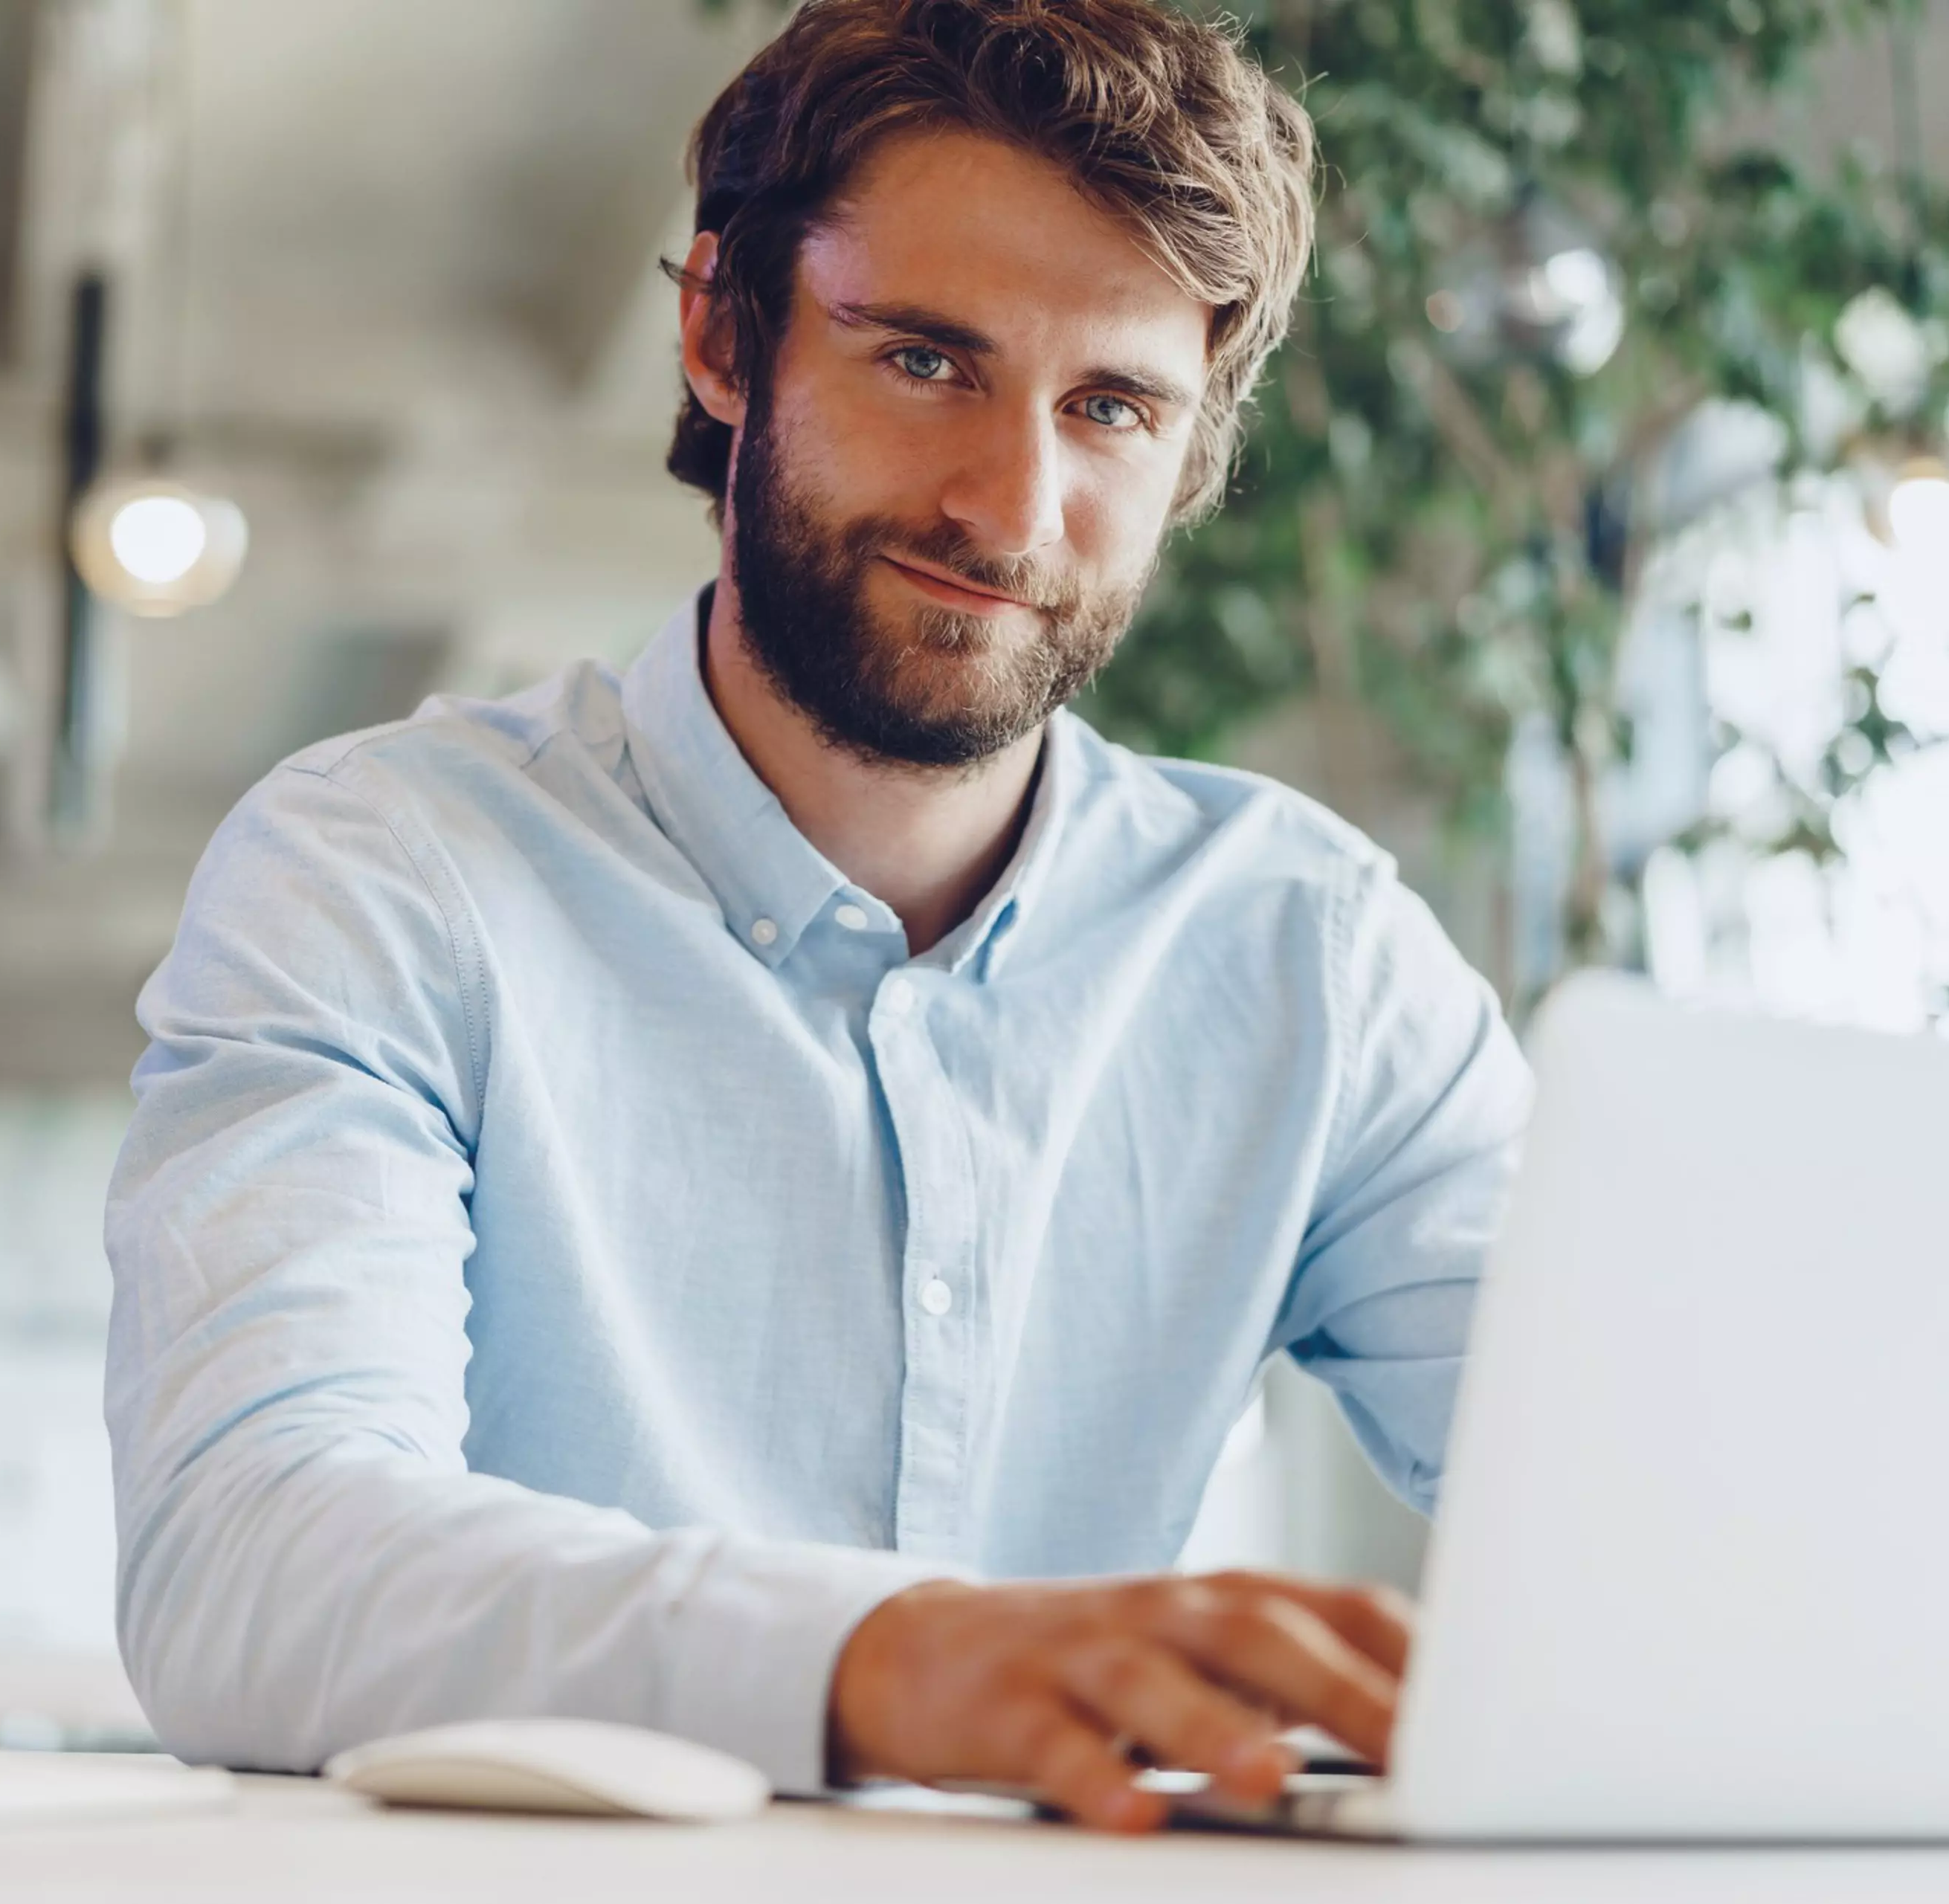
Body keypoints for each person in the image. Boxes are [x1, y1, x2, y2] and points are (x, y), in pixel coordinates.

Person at [104, 0, 1529, 1833]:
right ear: (720, 333)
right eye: (927, 360)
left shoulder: (1313, 956)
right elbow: (253, 1556)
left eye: (1112, 407)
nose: (1014, 505)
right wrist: (893, 1658)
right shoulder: (381, 873)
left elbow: (1652, 1487)